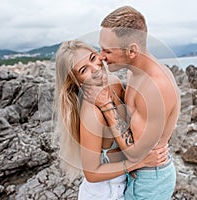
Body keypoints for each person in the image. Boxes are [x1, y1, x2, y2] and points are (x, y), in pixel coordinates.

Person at [82, 6, 181, 200]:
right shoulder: (133, 72)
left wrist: (105, 106)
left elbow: (136, 154)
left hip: (149, 181)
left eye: (107, 50)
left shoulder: (156, 88)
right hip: (140, 173)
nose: (101, 56)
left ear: (132, 50)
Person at [54, 40, 168, 200]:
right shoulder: (91, 112)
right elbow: (91, 173)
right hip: (103, 195)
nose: (95, 69)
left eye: (93, 58)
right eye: (83, 69)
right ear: (78, 82)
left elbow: (134, 119)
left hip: (126, 189)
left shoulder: (113, 83)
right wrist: (140, 162)